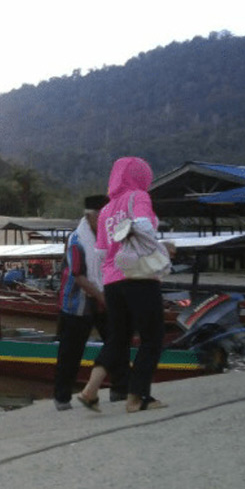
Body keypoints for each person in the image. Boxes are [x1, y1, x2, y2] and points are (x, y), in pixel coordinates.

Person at [78, 157, 169, 413]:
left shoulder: (106, 209)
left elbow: (100, 252)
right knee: (152, 338)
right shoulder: (138, 196)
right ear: (141, 176)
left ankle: (90, 390)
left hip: (112, 283)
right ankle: (137, 397)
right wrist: (163, 248)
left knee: (117, 339)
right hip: (139, 278)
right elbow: (143, 229)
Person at [53, 194, 127, 410]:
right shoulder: (77, 240)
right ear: (92, 216)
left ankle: (120, 388)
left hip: (103, 297)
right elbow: (79, 276)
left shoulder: (110, 236)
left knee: (116, 343)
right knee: (70, 352)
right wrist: (103, 296)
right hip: (77, 302)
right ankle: (62, 397)